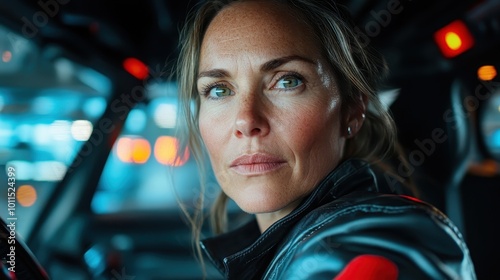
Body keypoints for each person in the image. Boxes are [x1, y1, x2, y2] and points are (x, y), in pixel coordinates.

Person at [174, 0, 477, 279]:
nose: (246, 120)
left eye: (287, 81)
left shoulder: (371, 239)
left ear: (351, 110)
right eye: (219, 90)